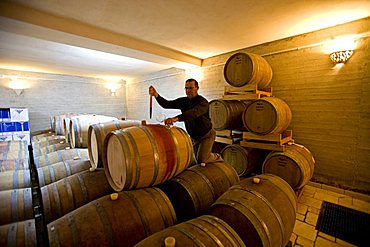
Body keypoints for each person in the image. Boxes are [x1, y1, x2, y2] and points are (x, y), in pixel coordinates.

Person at [149, 78, 222, 164]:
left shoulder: (203, 102)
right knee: (195, 161)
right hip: (194, 137)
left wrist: (176, 118)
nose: (188, 90)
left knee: (202, 160)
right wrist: (156, 95)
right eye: (186, 88)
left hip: (206, 134)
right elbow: (167, 104)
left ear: (197, 88)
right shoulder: (183, 101)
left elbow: (193, 113)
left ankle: (217, 157)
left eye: (190, 88)